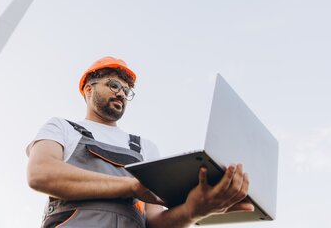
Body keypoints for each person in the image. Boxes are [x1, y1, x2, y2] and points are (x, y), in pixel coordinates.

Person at [26, 56, 254, 227]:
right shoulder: (61, 127)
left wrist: (193, 211)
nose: (122, 94)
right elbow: (41, 174)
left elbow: (154, 221)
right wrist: (133, 186)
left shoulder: (145, 146)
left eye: (127, 91)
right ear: (88, 89)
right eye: (113, 85)